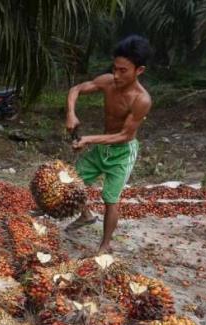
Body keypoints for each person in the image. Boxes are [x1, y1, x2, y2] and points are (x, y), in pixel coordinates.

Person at [64, 35, 153, 254]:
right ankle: (86, 216)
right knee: (74, 183)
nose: (116, 75)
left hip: (122, 152)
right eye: (115, 68)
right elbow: (75, 89)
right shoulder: (107, 81)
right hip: (102, 147)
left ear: (139, 70)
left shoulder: (141, 100)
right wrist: (71, 114)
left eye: (123, 70)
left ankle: (104, 245)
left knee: (110, 199)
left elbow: (124, 135)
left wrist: (88, 139)